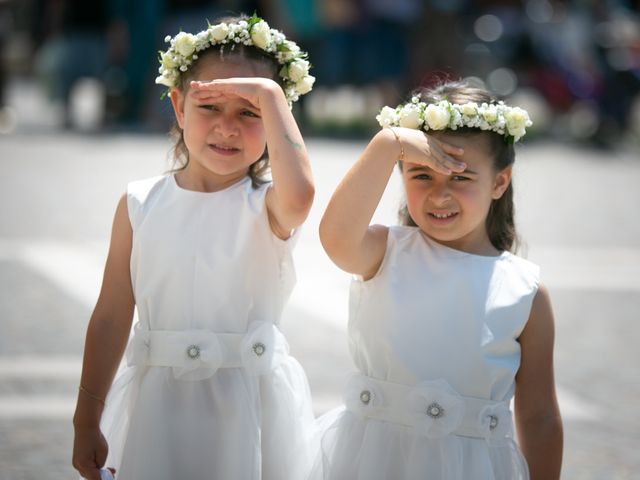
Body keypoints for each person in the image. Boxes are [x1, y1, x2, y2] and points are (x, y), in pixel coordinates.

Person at [72, 14, 316, 480]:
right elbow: (110, 314)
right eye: (211, 108)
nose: (228, 128)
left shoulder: (268, 205)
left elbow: (303, 196)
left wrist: (271, 96)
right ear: (180, 107)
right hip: (157, 406)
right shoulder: (139, 203)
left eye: (250, 113)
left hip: (246, 409)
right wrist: (87, 414)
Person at [311, 80, 563, 479]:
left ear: (499, 182)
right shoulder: (385, 252)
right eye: (422, 175)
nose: (439, 195)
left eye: (460, 177)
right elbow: (336, 238)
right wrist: (387, 143)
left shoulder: (525, 292)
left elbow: (539, 417)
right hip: (370, 462)